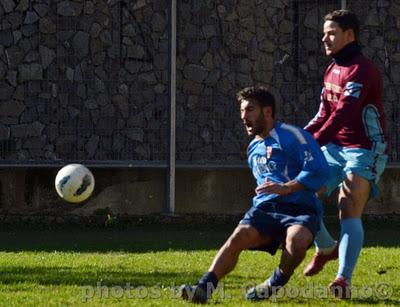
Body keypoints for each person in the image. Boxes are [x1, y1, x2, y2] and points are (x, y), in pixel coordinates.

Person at [179, 86, 330, 303]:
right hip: (266, 209)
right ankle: (203, 288)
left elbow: (319, 169)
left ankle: (275, 282)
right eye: (242, 111)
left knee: (297, 242)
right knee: (238, 238)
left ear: (267, 112)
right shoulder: (253, 148)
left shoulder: (293, 135)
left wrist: (288, 187)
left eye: (250, 110)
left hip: (301, 209)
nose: (244, 116)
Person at [303, 9, 387, 299]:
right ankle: (326, 246)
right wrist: (297, 138)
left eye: (331, 33)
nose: (325, 39)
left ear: (349, 35)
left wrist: (309, 144)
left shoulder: (362, 70)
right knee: (301, 196)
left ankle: (342, 279)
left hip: (365, 148)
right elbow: (323, 114)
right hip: (334, 149)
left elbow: (341, 115)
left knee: (347, 206)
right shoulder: (332, 69)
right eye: (324, 33)